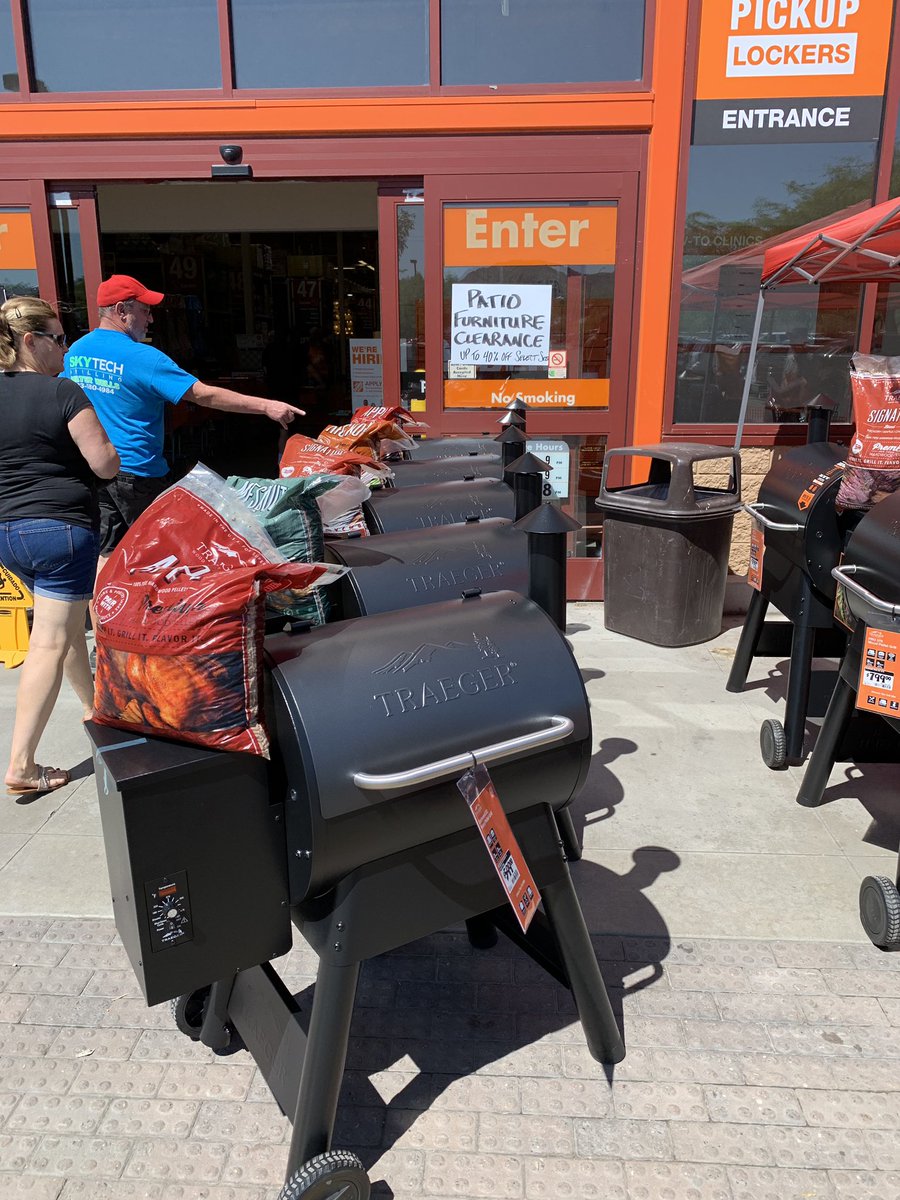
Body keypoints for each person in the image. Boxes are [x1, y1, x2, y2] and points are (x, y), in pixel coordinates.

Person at [63, 275, 305, 567]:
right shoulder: (143, 357)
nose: (150, 319)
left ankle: (105, 613)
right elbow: (203, 395)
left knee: (107, 559)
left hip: (94, 471)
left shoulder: (75, 352)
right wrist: (266, 406)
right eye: (145, 310)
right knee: (165, 559)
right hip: (137, 475)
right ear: (121, 311)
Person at [0, 297, 119, 796]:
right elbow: (105, 463)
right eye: (58, 338)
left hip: (8, 534)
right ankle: (22, 765)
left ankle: (96, 711)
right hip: (62, 532)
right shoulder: (62, 392)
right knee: (48, 642)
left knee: (66, 630)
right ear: (31, 341)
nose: (65, 351)